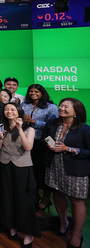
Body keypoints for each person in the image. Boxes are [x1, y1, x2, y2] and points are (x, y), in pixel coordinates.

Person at [44, 98, 89, 248]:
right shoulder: (53, 123)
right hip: (54, 166)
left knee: (76, 201)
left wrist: (68, 149)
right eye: (61, 105)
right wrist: (51, 145)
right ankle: (63, 224)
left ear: (76, 111)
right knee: (57, 193)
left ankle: (76, 235)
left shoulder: (84, 129)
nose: (62, 108)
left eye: (66, 107)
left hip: (75, 170)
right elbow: (47, 137)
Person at [0, 103, 40, 248]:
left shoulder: (29, 129)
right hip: (5, 164)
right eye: (7, 109)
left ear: (19, 112)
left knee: (24, 199)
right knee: (7, 196)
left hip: (22, 167)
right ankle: (11, 225)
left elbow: (28, 147)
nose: (9, 111)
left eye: (13, 109)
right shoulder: (1, 126)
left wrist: (20, 129)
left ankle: (28, 233)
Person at [21, 84, 59, 210]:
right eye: (31, 91)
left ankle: (46, 199)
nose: (33, 93)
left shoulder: (51, 107)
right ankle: (34, 196)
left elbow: (53, 126)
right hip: (27, 141)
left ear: (42, 93)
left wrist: (34, 122)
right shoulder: (24, 105)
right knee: (31, 171)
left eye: (36, 91)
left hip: (44, 142)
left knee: (43, 171)